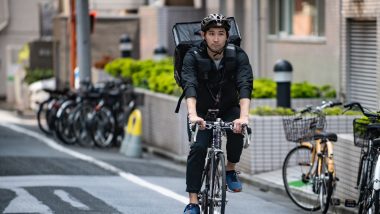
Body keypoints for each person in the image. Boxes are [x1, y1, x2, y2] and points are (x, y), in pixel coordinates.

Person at [181, 13, 253, 214]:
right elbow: (190, 85)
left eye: (221, 33)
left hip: (228, 107)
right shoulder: (192, 56)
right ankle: (193, 202)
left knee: (238, 129)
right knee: (198, 148)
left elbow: (245, 85)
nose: (216, 38)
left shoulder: (238, 55)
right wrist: (192, 115)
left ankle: (230, 169)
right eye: (211, 33)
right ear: (203, 35)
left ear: (227, 36)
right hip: (201, 111)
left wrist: (244, 117)